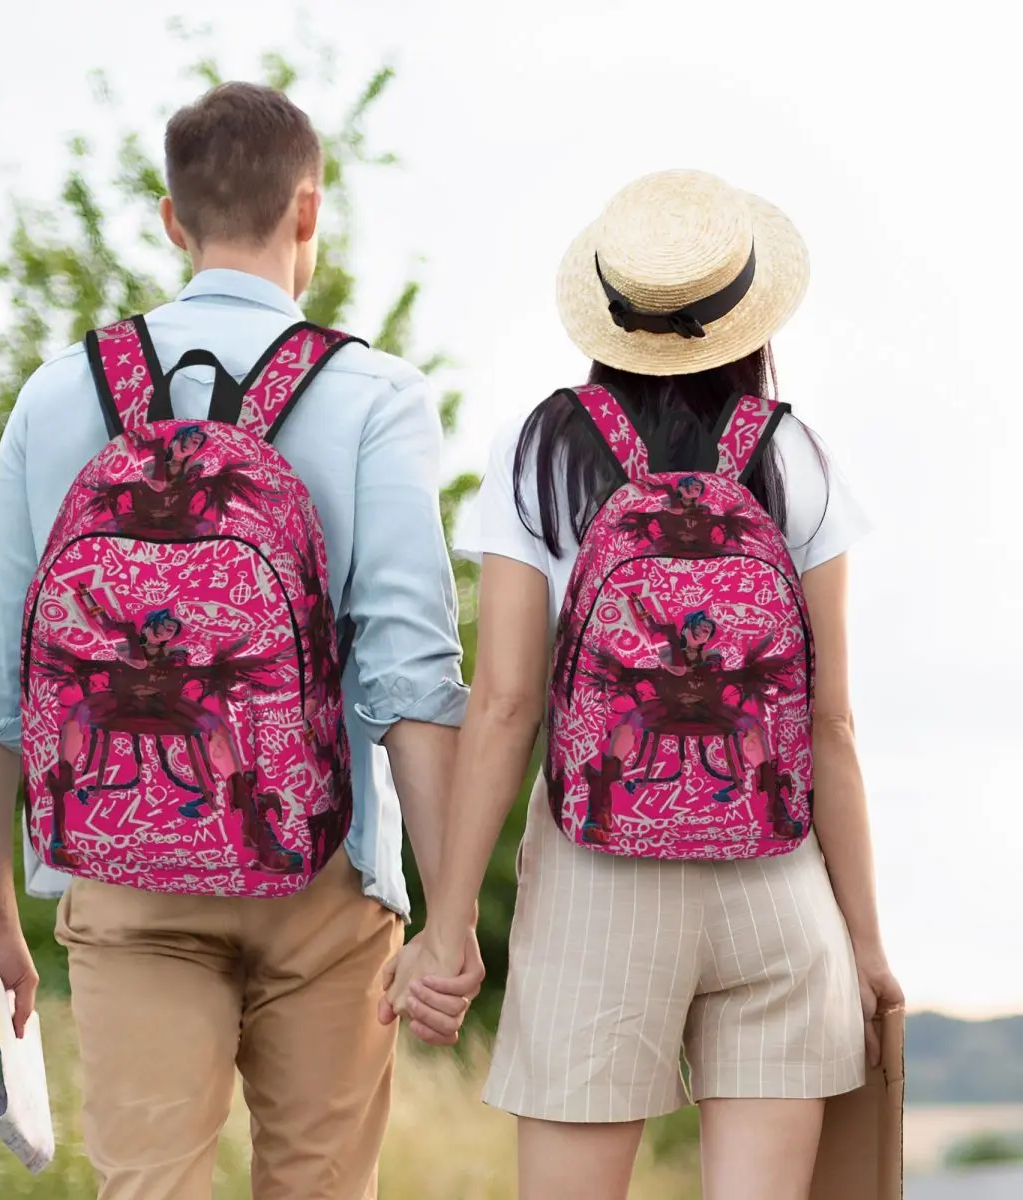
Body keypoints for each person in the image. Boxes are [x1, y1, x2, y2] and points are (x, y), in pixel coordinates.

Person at [0, 81, 483, 1200]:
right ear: (309, 213)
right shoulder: (373, 394)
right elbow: (411, 677)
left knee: (148, 1186)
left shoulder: (59, 395)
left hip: (123, 871)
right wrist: (450, 914)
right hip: (325, 872)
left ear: (172, 219)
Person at [383, 169, 904, 1200]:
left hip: (595, 882)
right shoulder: (797, 455)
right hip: (777, 883)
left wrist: (447, 927)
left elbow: (505, 705)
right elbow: (832, 723)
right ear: (748, 316)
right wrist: (866, 943)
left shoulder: (539, 451)